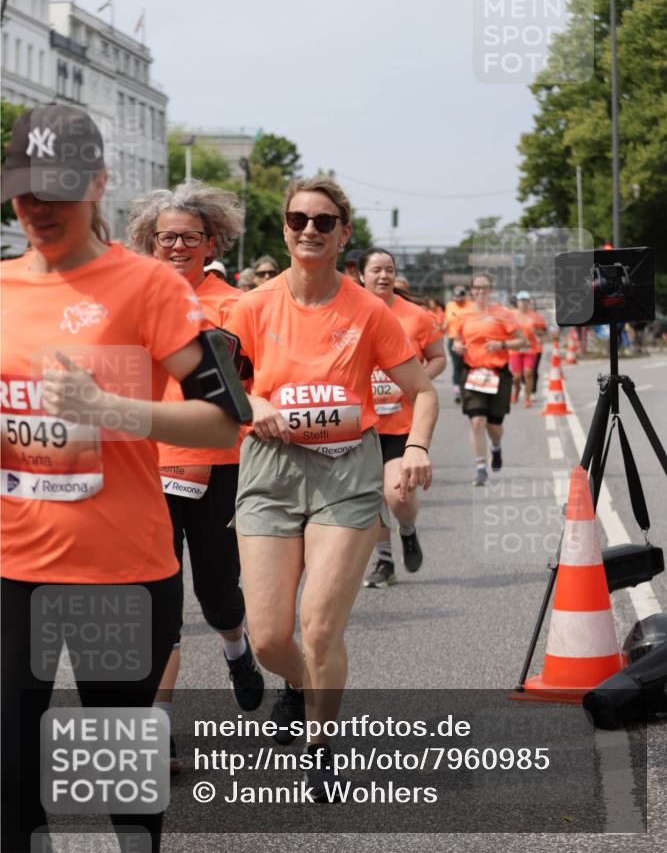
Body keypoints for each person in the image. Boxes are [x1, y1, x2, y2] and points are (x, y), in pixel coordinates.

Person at [0, 104, 240, 852]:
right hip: (13, 570)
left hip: (120, 569)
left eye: (60, 189)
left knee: (119, 788)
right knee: (11, 786)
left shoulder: (148, 287)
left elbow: (224, 421)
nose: (40, 207)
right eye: (26, 189)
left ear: (100, 184)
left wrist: (109, 407)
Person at [224, 176, 438, 799]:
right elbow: (223, 386)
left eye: (324, 222)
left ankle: (322, 744)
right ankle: (297, 684)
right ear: (284, 229)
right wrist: (256, 399)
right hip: (269, 469)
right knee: (267, 638)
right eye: (298, 220)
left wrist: (416, 447)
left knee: (318, 627)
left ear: (344, 232)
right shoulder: (253, 306)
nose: (309, 230)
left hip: (347, 469)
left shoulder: (369, 310)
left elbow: (421, 391)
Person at [127, 183, 264, 772]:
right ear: (149, 242)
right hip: (144, 469)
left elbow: (262, 380)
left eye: (188, 236)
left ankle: (236, 647)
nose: (177, 245)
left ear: (212, 241)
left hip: (220, 467)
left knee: (217, 592)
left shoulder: (239, 306)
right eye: (166, 236)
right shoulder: (129, 300)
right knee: (157, 603)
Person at [359, 249, 446, 589]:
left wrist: (417, 380)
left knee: (398, 495)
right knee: (373, 497)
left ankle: (407, 530)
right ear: (362, 275)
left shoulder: (417, 316)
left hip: (401, 424)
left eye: (389, 270)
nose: (383, 276)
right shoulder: (348, 312)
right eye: (376, 270)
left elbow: (438, 357)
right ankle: (384, 561)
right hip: (360, 424)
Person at [452, 273, 526, 486]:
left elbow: (521, 341)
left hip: (498, 374)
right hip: (473, 373)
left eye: (485, 288)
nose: (480, 292)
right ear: (471, 290)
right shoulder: (463, 315)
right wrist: (458, 347)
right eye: (477, 288)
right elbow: (457, 341)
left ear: (490, 290)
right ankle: (480, 467)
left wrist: (501, 345)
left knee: (494, 426)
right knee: (477, 421)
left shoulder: (504, 314)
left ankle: (496, 446)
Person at [510, 290, 546, 407]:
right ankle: (517, 390)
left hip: (531, 348)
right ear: (517, 302)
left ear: (529, 302)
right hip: (515, 348)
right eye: (521, 301)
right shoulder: (511, 315)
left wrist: (536, 331)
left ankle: (527, 397)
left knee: (528, 373)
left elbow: (543, 332)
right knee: (516, 376)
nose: (523, 303)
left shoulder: (536, 317)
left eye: (526, 301)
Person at [444, 286, 474, 403]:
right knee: (457, 366)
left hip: (469, 339)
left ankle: (468, 389)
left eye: (461, 298)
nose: (458, 301)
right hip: (453, 339)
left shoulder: (471, 306)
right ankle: (457, 390)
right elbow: (447, 321)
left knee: (468, 365)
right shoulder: (450, 305)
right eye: (456, 298)